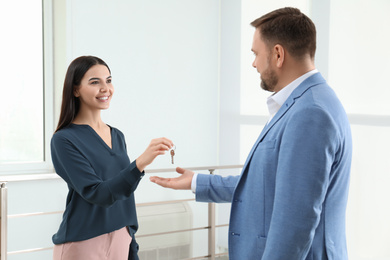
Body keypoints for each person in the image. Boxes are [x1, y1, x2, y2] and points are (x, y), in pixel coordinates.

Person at [150, 7, 352, 259]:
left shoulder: (310, 112)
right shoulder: (310, 102)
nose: (253, 63)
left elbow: (295, 221)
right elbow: (265, 186)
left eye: (256, 53)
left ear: (278, 54)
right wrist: (196, 182)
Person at [51, 55, 173, 260]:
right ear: (75, 89)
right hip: (83, 242)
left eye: (108, 80)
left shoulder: (117, 135)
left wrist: (129, 235)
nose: (105, 88)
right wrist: (141, 162)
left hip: (121, 237)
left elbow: (123, 191)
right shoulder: (64, 140)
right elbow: (97, 193)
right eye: (94, 82)